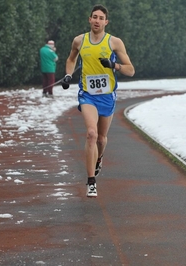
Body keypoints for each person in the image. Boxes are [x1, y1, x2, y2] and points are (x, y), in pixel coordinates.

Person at [61, 4, 135, 197]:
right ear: (89, 19)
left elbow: (130, 70)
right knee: (91, 134)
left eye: (101, 18)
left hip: (107, 96)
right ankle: (91, 181)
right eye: (94, 17)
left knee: (101, 139)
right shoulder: (80, 40)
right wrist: (68, 76)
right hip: (87, 95)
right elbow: (71, 60)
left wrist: (113, 65)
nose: (97, 20)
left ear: (106, 22)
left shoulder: (114, 42)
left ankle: (99, 158)